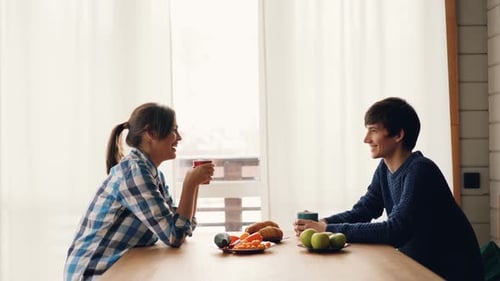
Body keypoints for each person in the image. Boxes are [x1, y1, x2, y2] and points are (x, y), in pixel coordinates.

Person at [293, 97, 484, 280]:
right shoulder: (385, 168)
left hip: (449, 274)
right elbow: (365, 210)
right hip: (418, 267)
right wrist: (322, 223)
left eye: (373, 131)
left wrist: (328, 229)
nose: (366, 139)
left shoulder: (421, 170)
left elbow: (395, 230)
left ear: (398, 135)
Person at [64, 102, 214, 281]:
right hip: (94, 274)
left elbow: (183, 227)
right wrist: (189, 184)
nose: (179, 137)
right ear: (151, 133)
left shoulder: (152, 173)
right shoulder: (134, 173)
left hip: (119, 269)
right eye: (173, 130)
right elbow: (174, 236)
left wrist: (195, 185)